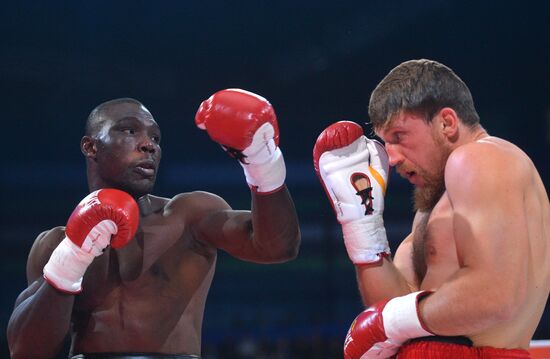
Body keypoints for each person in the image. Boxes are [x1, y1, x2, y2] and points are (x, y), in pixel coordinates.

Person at [7, 89, 301, 359]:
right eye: (130, 130)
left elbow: (277, 248)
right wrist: (71, 259)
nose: (149, 145)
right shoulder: (56, 243)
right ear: (90, 146)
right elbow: (25, 350)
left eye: (156, 138)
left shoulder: (189, 215)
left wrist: (263, 164)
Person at [313, 59, 550, 358]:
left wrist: (393, 320)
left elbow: (496, 297)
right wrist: (361, 225)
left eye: (399, 137)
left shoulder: (481, 158)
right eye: (386, 144)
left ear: (447, 123)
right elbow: (392, 310)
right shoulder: (434, 202)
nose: (393, 158)